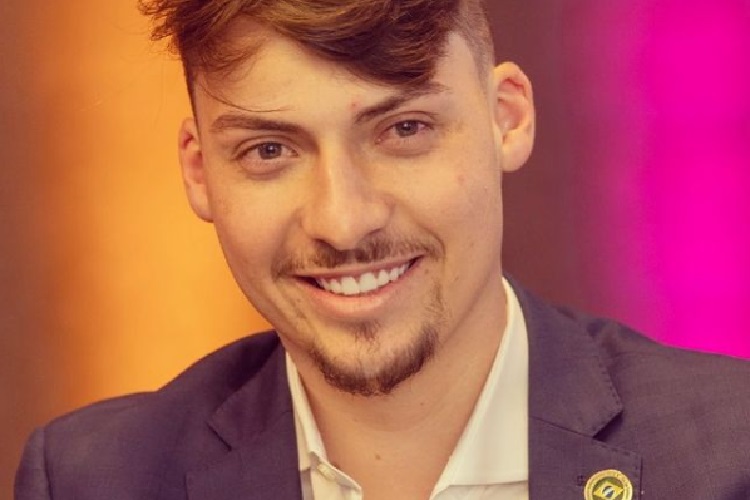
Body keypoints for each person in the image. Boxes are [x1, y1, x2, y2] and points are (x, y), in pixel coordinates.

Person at [15, 1, 750, 499]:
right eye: (270, 150)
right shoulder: (94, 480)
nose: (343, 221)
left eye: (403, 130)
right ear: (200, 171)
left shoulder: (729, 453)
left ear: (507, 118)